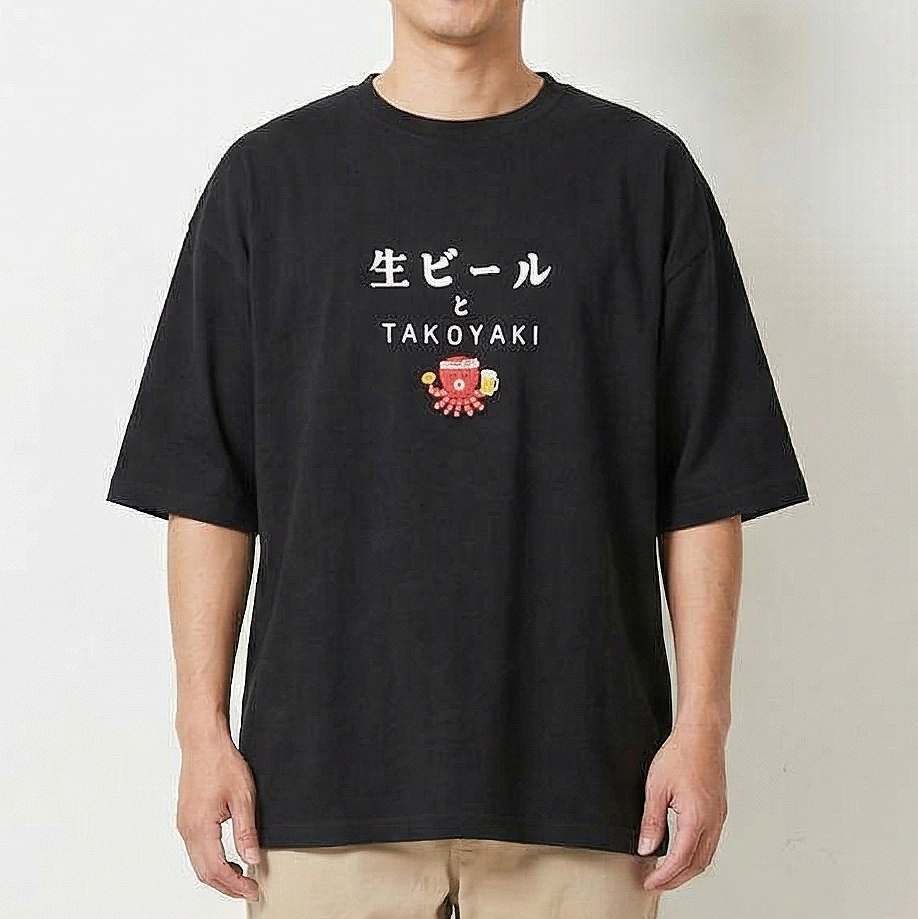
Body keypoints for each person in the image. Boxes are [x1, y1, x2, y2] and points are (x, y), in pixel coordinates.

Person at [107, 1, 808, 916]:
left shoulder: (641, 175)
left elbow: (705, 482)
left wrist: (704, 725)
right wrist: (200, 735)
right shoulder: (269, 181)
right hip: (322, 786)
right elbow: (206, 484)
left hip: (586, 785)